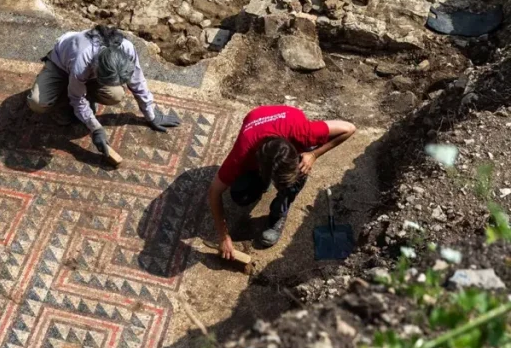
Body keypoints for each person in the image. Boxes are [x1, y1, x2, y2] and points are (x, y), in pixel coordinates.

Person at [208, 105, 356, 258]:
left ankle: (279, 213)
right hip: (256, 123)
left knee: (300, 174)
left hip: (288, 122)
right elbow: (214, 192)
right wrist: (224, 237)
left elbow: (349, 128)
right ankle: (262, 183)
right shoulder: (241, 155)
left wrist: (313, 154)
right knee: (241, 195)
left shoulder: (303, 132)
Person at [27, 25, 180, 158]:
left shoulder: (126, 48)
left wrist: (151, 114)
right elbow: (76, 98)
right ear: (96, 69)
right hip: (61, 64)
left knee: (116, 95)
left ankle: (85, 93)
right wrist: (96, 128)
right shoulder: (82, 60)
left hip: (89, 74)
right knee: (38, 103)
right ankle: (61, 96)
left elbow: (137, 80)